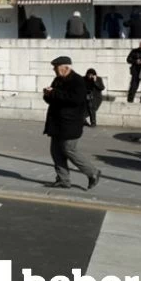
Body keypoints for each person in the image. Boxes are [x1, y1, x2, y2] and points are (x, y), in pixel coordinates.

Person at [42, 56, 100, 190]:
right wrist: (47, 94)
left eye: (56, 68)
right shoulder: (57, 80)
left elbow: (75, 100)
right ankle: (63, 180)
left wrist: (55, 93)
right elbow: (54, 99)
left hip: (71, 123)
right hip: (56, 122)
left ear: (66, 68)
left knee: (69, 149)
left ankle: (93, 173)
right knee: (56, 151)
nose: (54, 70)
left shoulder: (77, 81)